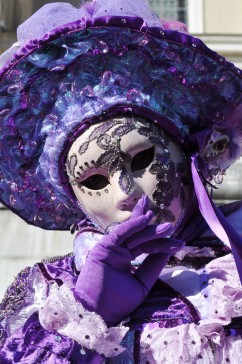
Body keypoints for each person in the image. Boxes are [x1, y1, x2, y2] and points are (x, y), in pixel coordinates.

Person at [0, 1, 242, 362]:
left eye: (142, 158)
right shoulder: (48, 296)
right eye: (94, 181)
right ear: (75, 200)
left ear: (187, 150)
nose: (126, 193)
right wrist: (88, 316)